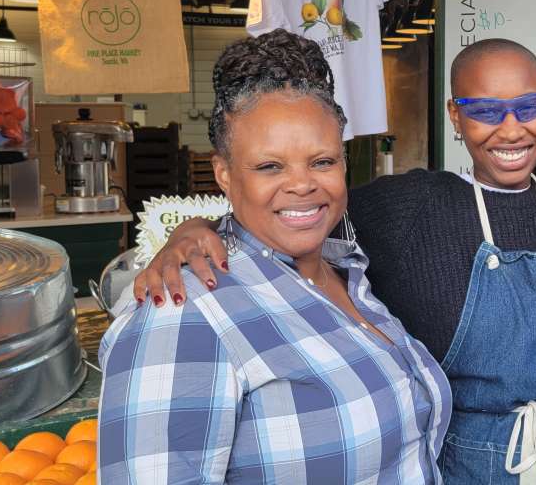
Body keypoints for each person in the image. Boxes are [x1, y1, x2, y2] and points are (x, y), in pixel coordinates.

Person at [134, 38, 536, 484]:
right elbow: (294, 206)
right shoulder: (409, 207)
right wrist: (196, 230)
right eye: (485, 110)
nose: (511, 128)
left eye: (527, 106)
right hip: (471, 465)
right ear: (455, 116)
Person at [97, 30, 452, 484]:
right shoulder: (184, 314)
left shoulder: (350, 272)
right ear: (223, 173)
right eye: (270, 166)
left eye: (322, 161)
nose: (302, 184)